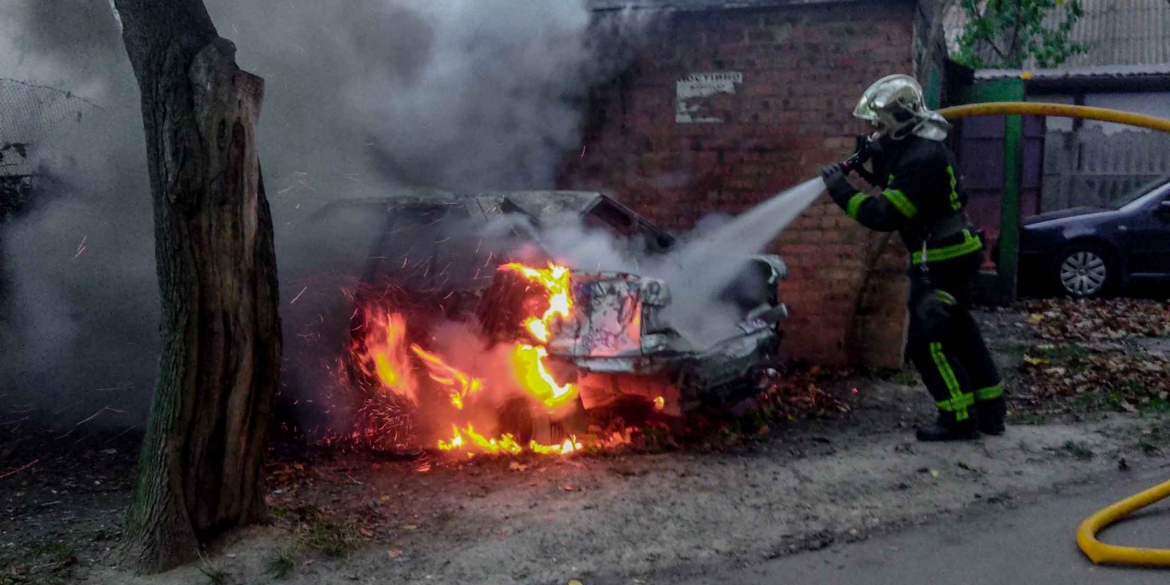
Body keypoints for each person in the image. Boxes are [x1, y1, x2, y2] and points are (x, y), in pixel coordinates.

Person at [820, 74, 1006, 441]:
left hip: (942, 259)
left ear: (899, 122)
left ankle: (958, 419)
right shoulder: (920, 147)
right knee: (961, 333)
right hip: (953, 251)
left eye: (879, 124)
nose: (873, 131)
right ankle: (990, 412)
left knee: (928, 338)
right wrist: (873, 162)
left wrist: (842, 191)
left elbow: (884, 214)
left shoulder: (922, 158)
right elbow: (902, 187)